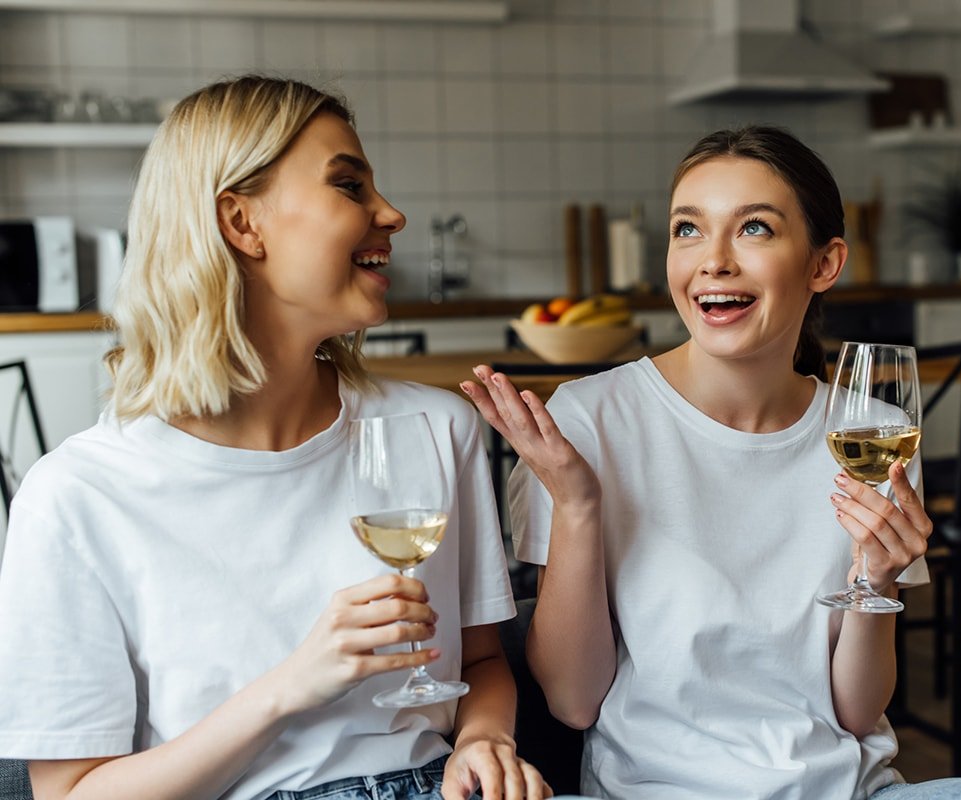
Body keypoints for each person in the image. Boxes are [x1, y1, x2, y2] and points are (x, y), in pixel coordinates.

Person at [0, 76, 549, 800]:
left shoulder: (435, 429)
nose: (392, 213)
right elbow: (69, 795)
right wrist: (291, 684)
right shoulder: (78, 494)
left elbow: (480, 664)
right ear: (241, 223)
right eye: (349, 185)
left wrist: (484, 740)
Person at [462, 126, 961, 800]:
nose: (712, 261)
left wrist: (878, 581)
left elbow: (856, 714)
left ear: (824, 264)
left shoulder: (876, 438)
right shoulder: (588, 421)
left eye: (755, 230)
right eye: (688, 230)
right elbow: (572, 702)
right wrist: (578, 505)